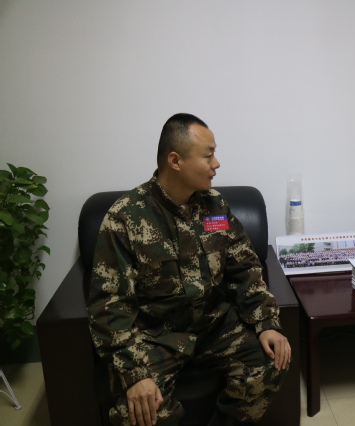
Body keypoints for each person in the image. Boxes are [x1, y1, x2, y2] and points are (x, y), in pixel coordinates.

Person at [87, 113, 291, 426]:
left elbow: (245, 269)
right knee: (138, 414)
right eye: (208, 155)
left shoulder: (215, 207)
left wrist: (267, 323)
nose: (217, 163)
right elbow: (109, 304)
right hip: (156, 336)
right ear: (175, 161)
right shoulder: (126, 217)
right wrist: (134, 373)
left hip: (214, 325)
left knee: (270, 361)